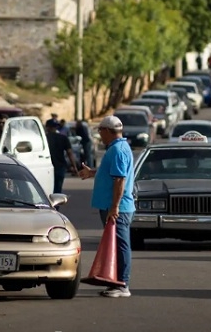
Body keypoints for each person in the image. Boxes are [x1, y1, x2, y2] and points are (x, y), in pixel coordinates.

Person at [78, 115, 135, 298]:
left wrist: (114, 207)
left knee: (120, 245)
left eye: (101, 131)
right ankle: (115, 281)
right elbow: (112, 173)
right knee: (115, 244)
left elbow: (120, 180)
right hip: (114, 206)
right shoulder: (116, 148)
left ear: (107, 131)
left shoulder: (117, 150)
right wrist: (92, 172)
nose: (100, 135)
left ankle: (122, 284)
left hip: (118, 207)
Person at [45, 118, 78, 195]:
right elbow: (70, 153)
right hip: (60, 166)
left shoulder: (44, 138)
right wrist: (74, 166)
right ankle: (56, 206)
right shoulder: (63, 138)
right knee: (58, 189)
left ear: (47, 127)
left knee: (47, 189)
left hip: (48, 166)